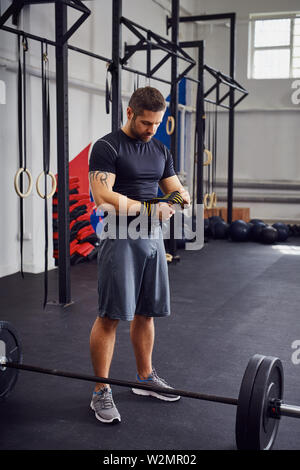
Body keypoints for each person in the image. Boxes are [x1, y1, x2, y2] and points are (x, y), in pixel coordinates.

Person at [88, 86, 191, 423]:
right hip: (120, 236)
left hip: (152, 239)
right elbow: (103, 196)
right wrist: (152, 208)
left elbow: (179, 194)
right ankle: (100, 391)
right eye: (146, 123)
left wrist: (170, 204)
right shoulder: (107, 146)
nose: (151, 130)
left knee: (147, 312)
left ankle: (145, 378)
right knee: (111, 314)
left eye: (157, 124)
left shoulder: (160, 148)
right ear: (130, 113)